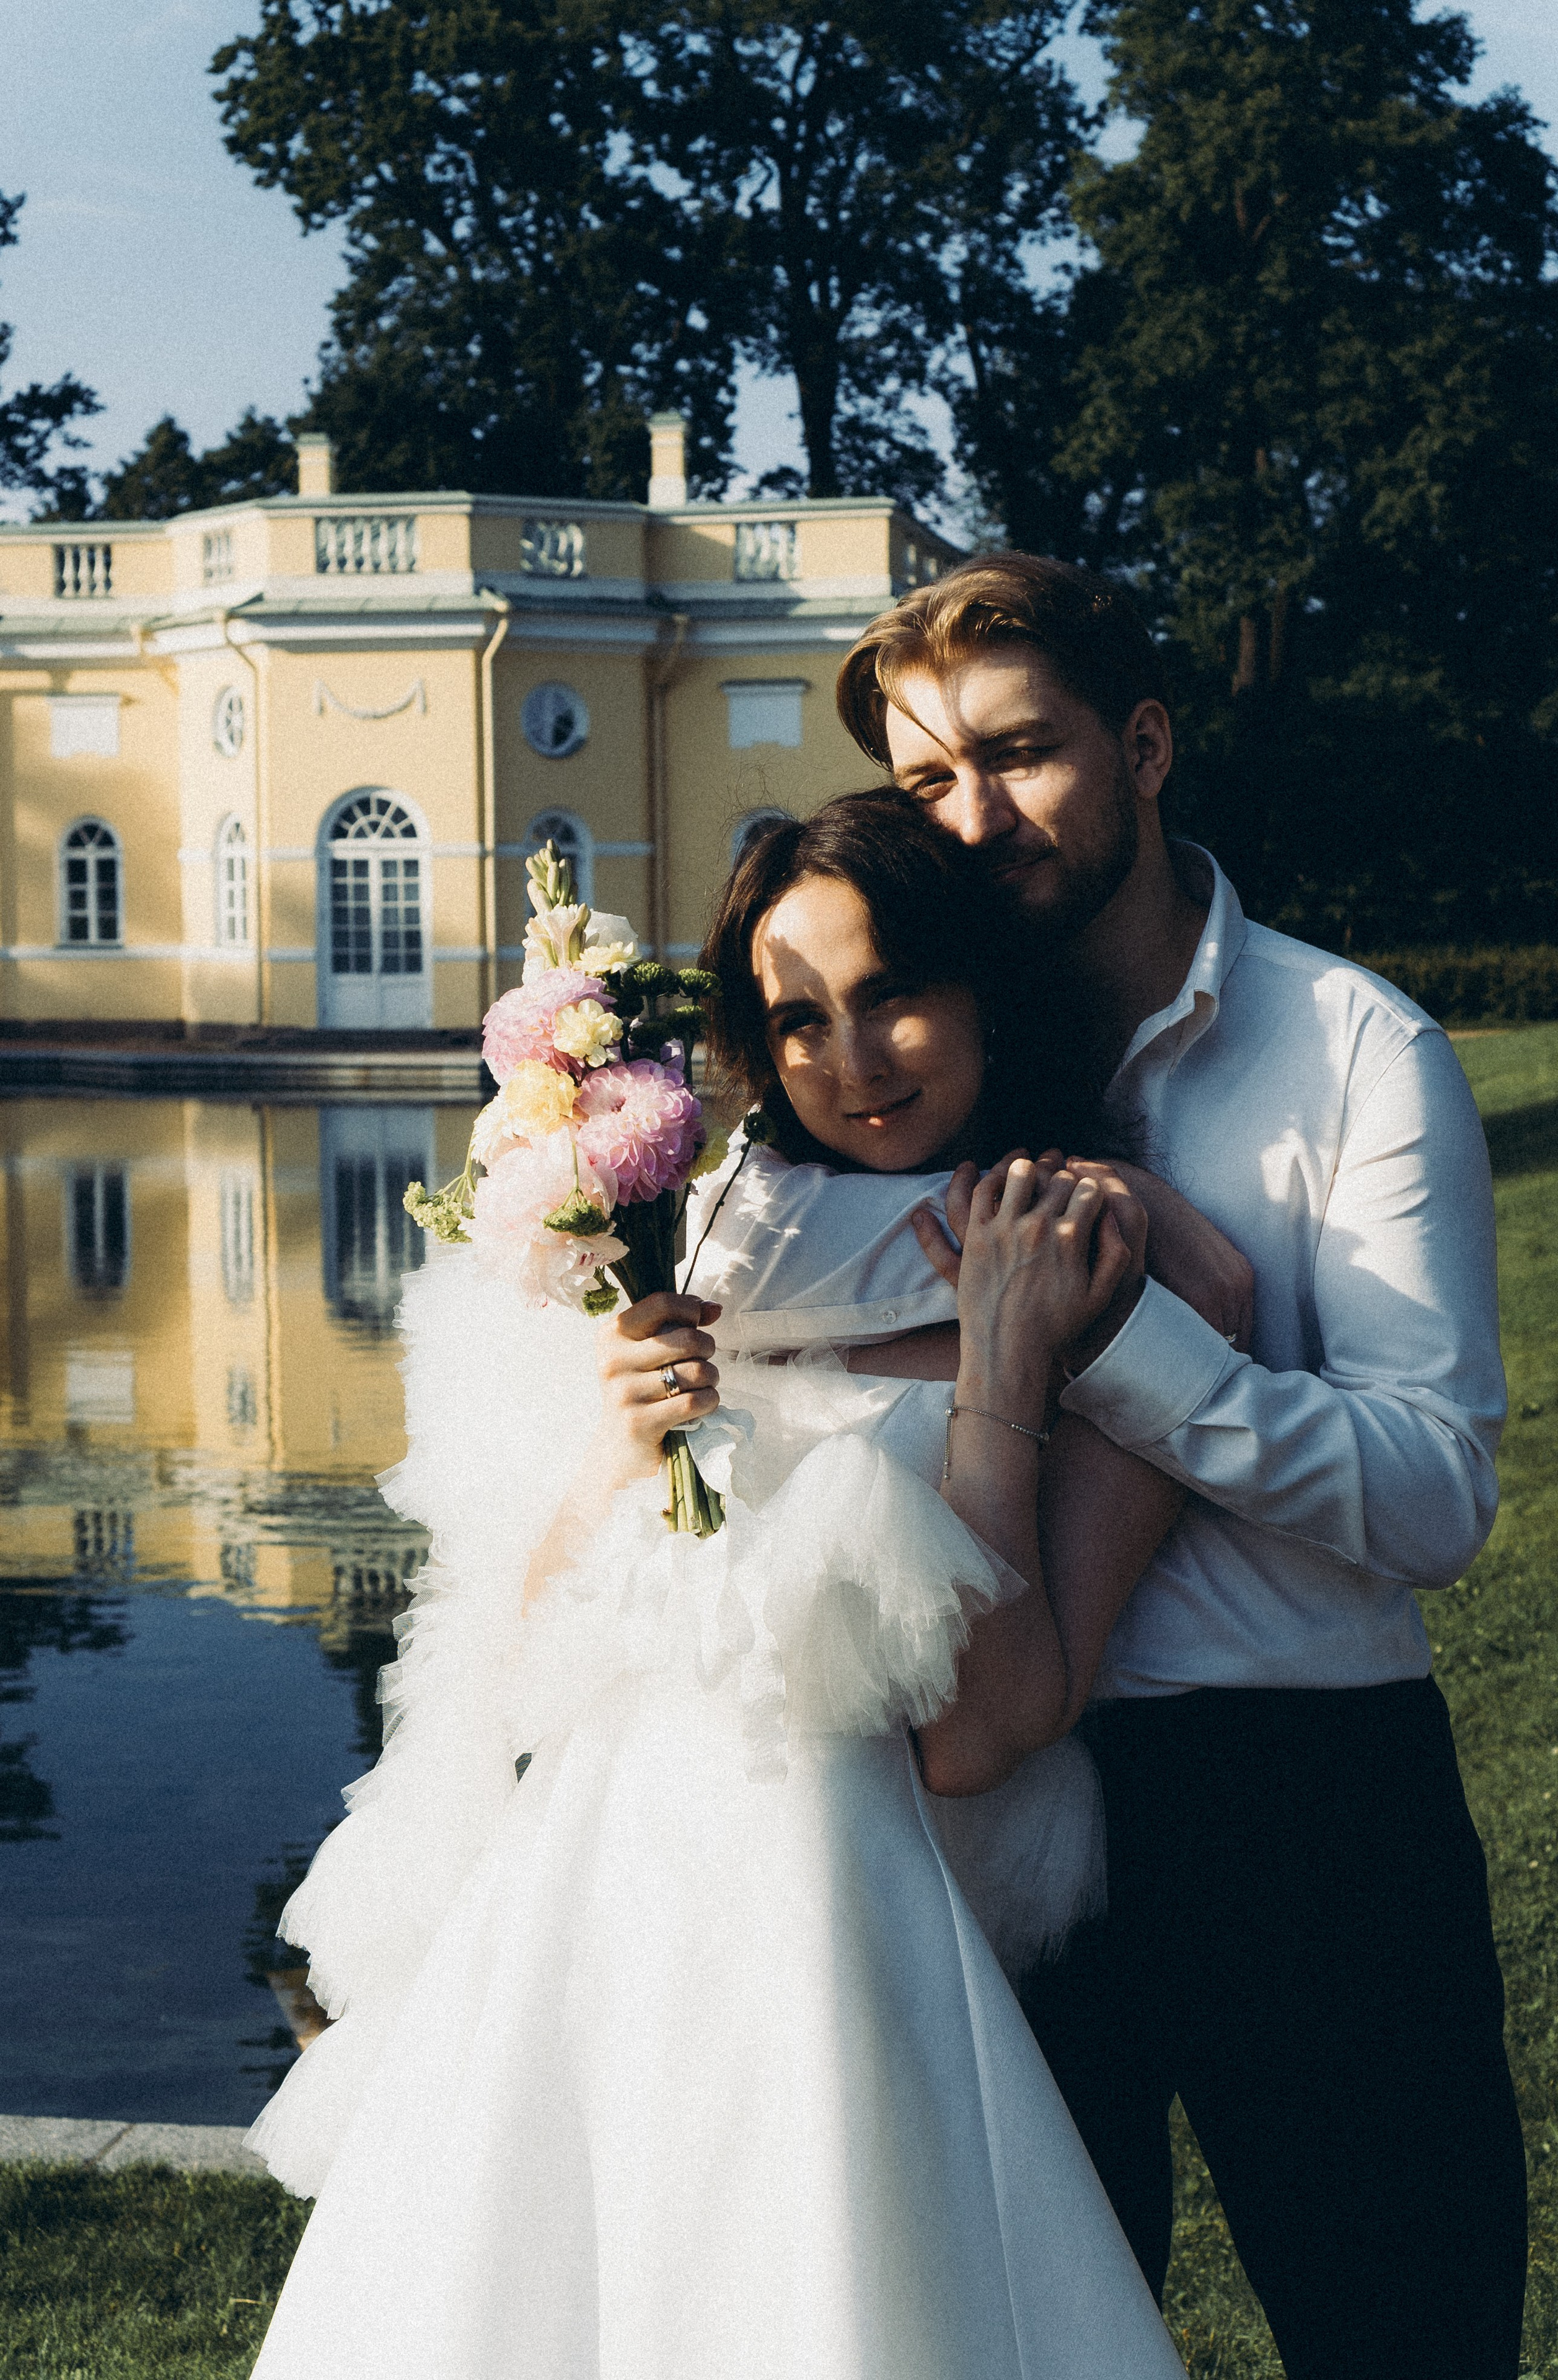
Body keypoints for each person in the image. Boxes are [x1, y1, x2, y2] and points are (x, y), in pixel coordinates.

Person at [245, 792, 1203, 2378]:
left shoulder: (1084, 1262)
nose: (855, 1058)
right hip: (593, 1901)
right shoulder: (677, 1250)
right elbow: (534, 1660)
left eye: (894, 992)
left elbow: (986, 1732)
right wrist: (617, 1455)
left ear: (978, 991)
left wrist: (1000, 1377)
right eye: (800, 1018)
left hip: (836, 1924)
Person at [796, 552, 1526, 2380]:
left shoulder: (1358, 1048)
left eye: (1023, 755)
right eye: (928, 780)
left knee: (1401, 2337)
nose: (972, 820)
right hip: (990, 1824)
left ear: (1144, 742)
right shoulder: (914, 1069)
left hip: (1303, 1806)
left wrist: (1128, 1347)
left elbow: (1437, 1495)